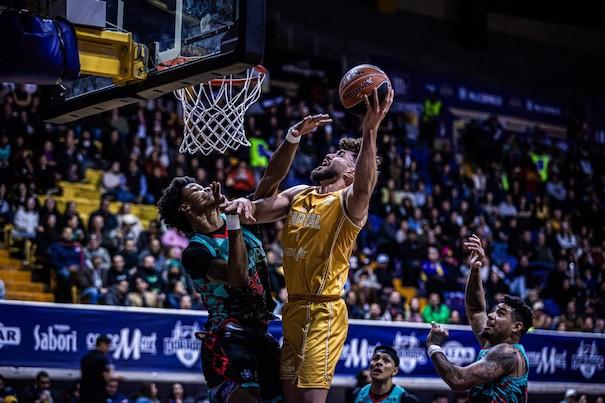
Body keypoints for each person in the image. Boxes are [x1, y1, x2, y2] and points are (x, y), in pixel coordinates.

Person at [224, 87, 394, 402]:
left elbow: (365, 187)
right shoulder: (299, 194)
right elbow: (256, 208)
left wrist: (370, 130)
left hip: (323, 312)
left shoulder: (349, 203)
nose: (329, 155)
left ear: (352, 172)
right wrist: (244, 203)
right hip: (293, 308)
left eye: (339, 155)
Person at [158, 115, 332, 402]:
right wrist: (233, 222)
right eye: (197, 191)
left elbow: (271, 178)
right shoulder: (196, 251)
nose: (207, 187)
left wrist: (293, 136)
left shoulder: (243, 216)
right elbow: (237, 277)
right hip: (227, 339)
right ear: (186, 208)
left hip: (260, 334)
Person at [426, 234, 533, 402]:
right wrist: (475, 269)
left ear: (516, 327)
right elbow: (476, 310)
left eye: (500, 313)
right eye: (494, 311)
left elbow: (458, 379)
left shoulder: (507, 353)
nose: (491, 315)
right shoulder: (494, 344)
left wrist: (433, 346)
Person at [353, 346, 420, 403]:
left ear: (395, 371)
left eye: (386, 360)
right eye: (375, 358)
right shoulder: (356, 395)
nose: (379, 362)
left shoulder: (405, 400)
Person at [79, 335, 115, 403]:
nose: (108, 349)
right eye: (108, 346)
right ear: (102, 344)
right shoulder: (102, 359)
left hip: (84, 394)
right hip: (97, 395)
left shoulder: (85, 358)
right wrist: (119, 377)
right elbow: (107, 377)